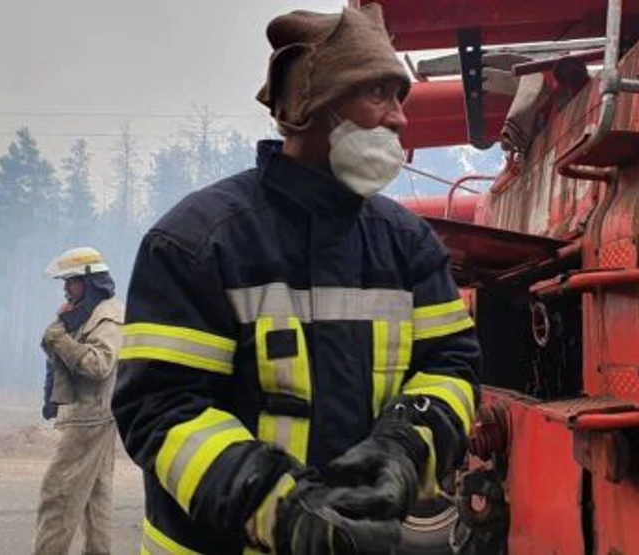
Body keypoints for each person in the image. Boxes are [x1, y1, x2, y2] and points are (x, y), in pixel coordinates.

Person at [113, 4, 481, 554]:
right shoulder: (198, 242)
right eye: (378, 94)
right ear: (314, 106)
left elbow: (451, 368)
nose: (401, 119)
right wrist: (283, 510)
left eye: (400, 97)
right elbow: (162, 409)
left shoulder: (408, 247)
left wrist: (406, 451)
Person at [32, 246, 125, 555]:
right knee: (95, 500)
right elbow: (60, 354)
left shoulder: (107, 318)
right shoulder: (86, 314)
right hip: (91, 414)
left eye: (71, 281)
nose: (66, 288)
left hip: (89, 417)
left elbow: (99, 365)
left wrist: (60, 338)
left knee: (57, 495)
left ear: (90, 281)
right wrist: (62, 330)